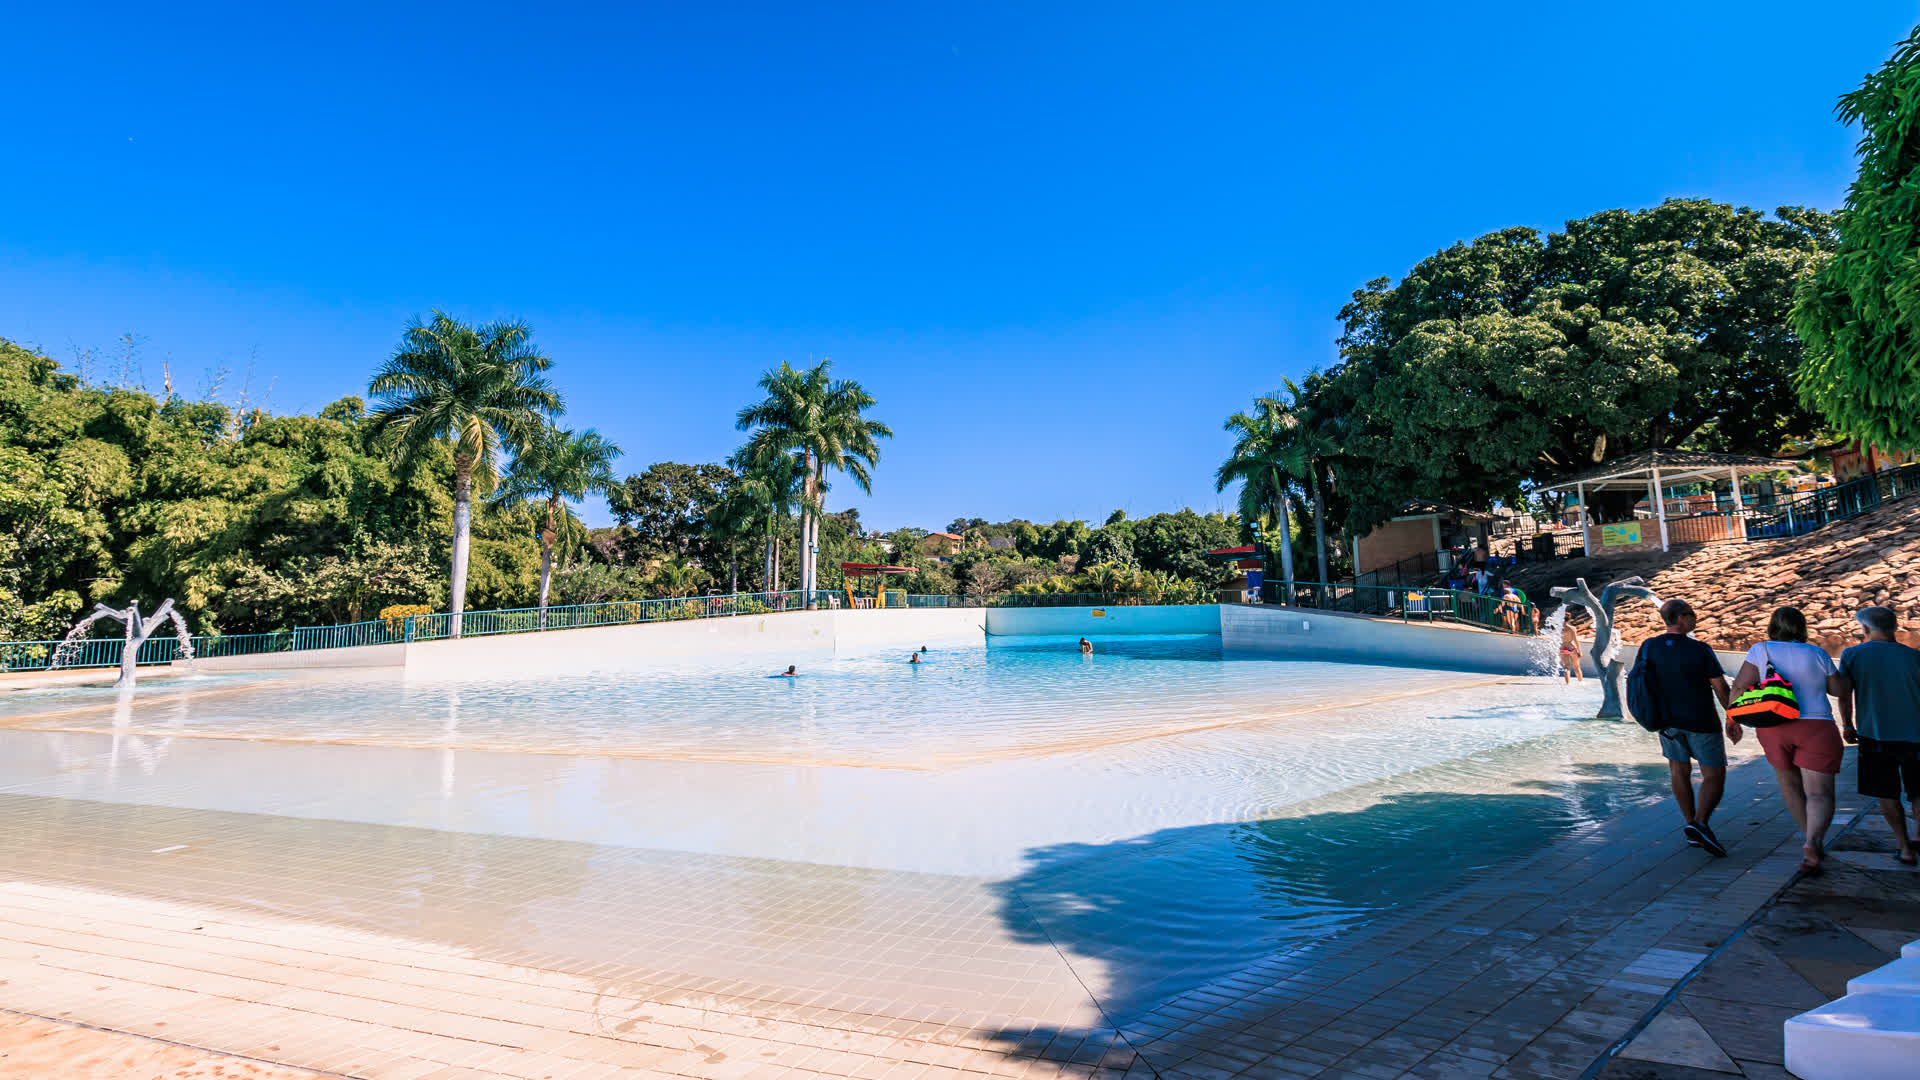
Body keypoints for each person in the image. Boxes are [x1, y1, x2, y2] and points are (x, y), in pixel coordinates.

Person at [1729, 607, 1846, 875]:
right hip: (1816, 726)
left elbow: (1739, 687)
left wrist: (1732, 720)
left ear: (1773, 626)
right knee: (1819, 793)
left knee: (1790, 784)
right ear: (1801, 628)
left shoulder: (1761, 650)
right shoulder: (1817, 653)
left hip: (1774, 727)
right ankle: (1812, 842)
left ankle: (1809, 840)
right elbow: (1838, 690)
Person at [1638, 598, 1735, 857]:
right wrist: (1733, 717)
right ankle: (1700, 824)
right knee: (1714, 775)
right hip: (1700, 720)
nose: (1695, 618)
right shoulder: (1700, 649)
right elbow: (1721, 688)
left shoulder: (1649, 646)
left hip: (1666, 723)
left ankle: (1692, 826)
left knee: (1679, 772)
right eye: (1691, 614)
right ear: (1681, 617)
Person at [1834, 606, 1920, 866]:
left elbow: (1844, 695)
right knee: (1919, 791)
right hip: (1916, 734)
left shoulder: (1853, 654)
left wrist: (1848, 725)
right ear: (1895, 628)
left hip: (1875, 735)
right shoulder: (1915, 656)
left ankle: (1905, 848)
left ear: (1865, 629)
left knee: (1887, 793)